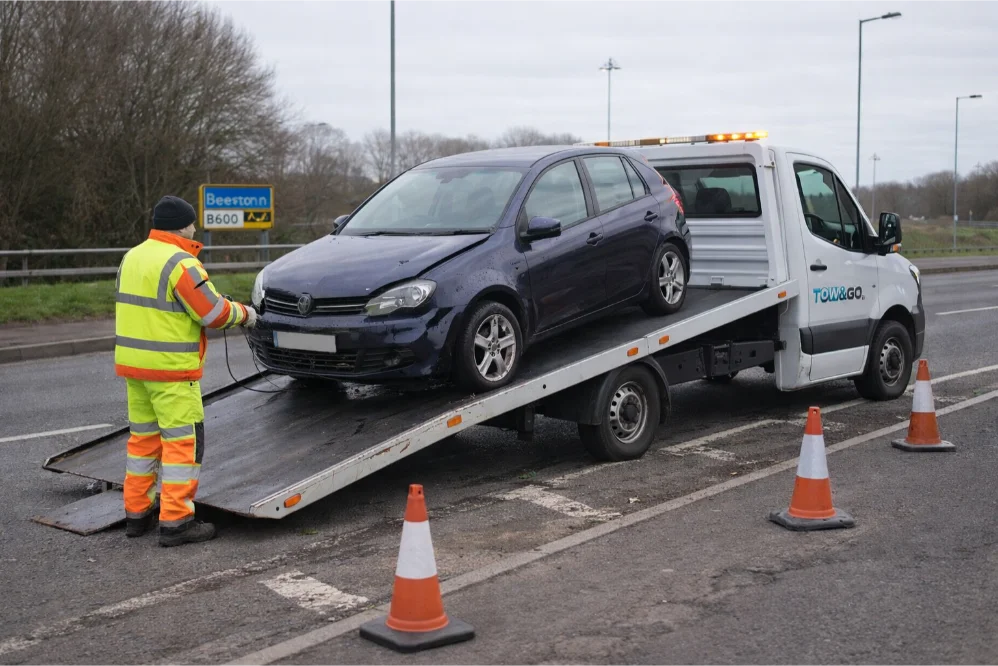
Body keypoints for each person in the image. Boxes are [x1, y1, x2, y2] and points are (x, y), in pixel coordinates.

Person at [114, 195, 258, 547]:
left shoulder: (132, 256)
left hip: (136, 368)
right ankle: (177, 522)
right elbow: (212, 313)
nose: (196, 228)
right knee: (182, 446)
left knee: (143, 443)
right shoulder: (181, 263)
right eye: (193, 223)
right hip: (172, 372)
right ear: (183, 225)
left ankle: (137, 515)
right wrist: (247, 314)